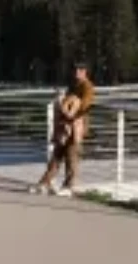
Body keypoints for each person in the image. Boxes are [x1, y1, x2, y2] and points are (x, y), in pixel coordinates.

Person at [33, 61, 95, 197]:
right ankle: (45, 183)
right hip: (65, 125)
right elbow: (66, 102)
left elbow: (86, 105)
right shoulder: (73, 85)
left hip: (77, 125)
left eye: (80, 70)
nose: (76, 72)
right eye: (75, 70)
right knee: (57, 154)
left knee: (72, 156)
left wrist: (71, 115)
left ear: (85, 72)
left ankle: (69, 186)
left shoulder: (87, 86)